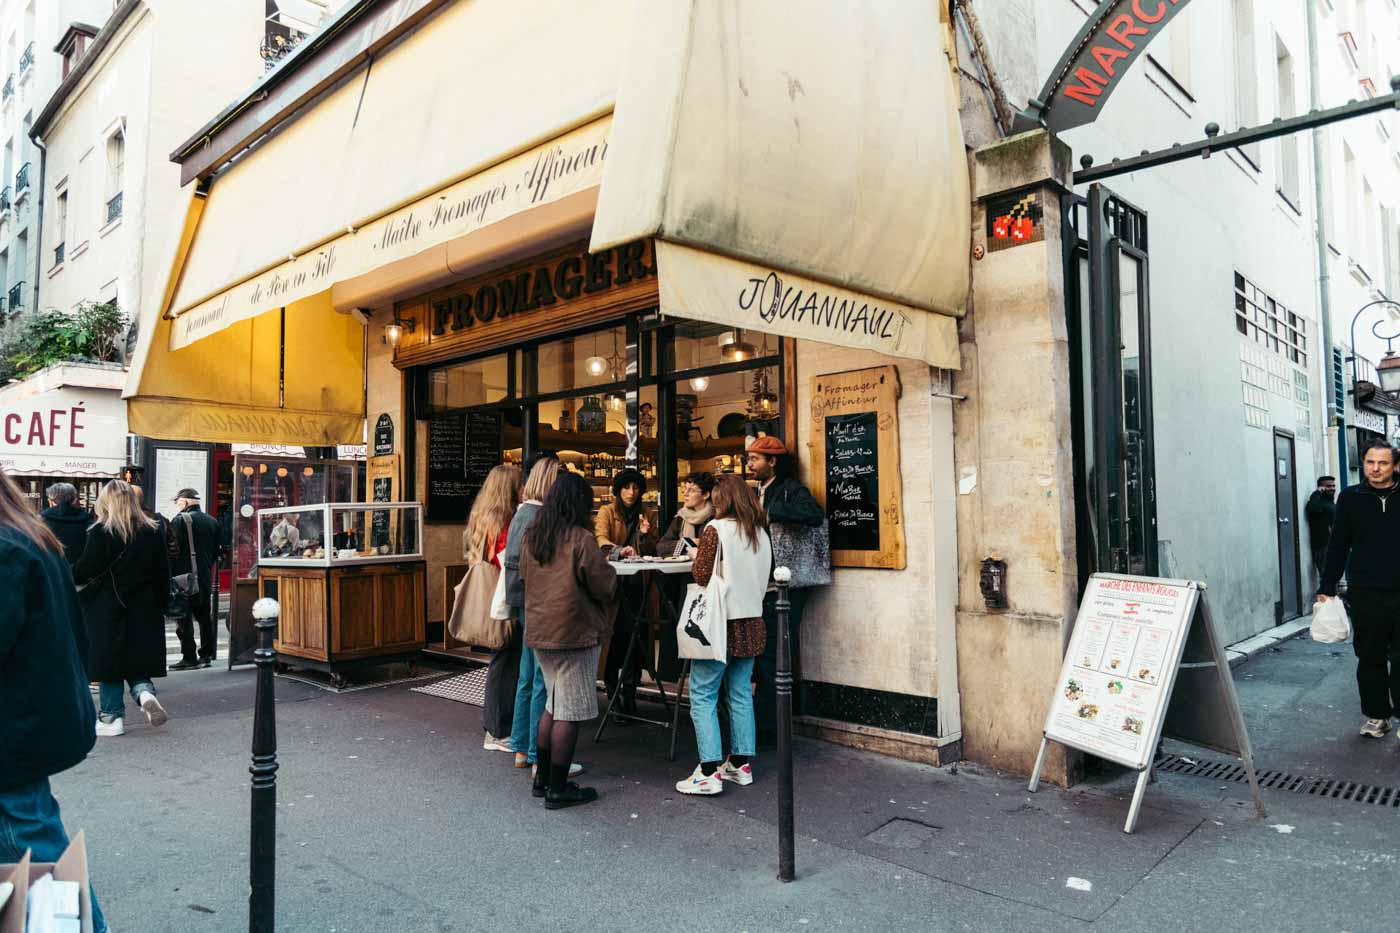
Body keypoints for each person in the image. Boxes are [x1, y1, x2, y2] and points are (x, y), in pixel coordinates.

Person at [0, 473, 109, 932]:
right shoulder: (29, 537)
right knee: (33, 852)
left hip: (13, 734)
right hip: (30, 723)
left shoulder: (9, 548)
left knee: (33, 856)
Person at [521, 473, 620, 809]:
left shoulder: (534, 536)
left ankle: (542, 779)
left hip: (540, 632)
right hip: (574, 633)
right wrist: (612, 571)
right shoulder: (580, 538)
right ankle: (558, 789)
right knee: (570, 712)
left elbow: (524, 578)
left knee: (553, 705)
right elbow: (602, 585)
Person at [675, 475, 771, 795]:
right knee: (740, 692)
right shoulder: (760, 532)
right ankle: (740, 765)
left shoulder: (716, 529)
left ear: (723, 500)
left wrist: (695, 556)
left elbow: (702, 575)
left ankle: (707, 772)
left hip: (720, 623)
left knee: (703, 694)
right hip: (751, 621)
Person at [74, 480, 171, 737]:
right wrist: (162, 605)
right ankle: (144, 693)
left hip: (107, 605)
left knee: (109, 663)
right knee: (136, 657)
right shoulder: (152, 530)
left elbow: (86, 569)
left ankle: (111, 717)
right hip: (145, 605)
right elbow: (163, 573)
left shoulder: (100, 531)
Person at [1317, 441, 1400, 740]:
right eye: (1370, 462)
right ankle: (1377, 716)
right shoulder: (1351, 498)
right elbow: (1338, 543)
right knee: (1369, 656)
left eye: (1383, 463)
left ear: (1395, 466)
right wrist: (1327, 585)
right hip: (1365, 591)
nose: (1375, 469)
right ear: (1363, 464)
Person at [746, 435, 825, 747]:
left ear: (773, 461)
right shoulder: (758, 490)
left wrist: (773, 512)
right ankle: (766, 725)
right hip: (766, 585)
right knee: (766, 656)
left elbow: (814, 515)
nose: (750, 464)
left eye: (755, 459)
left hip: (787, 586)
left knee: (773, 657)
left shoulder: (790, 489)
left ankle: (769, 731)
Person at [595, 468, 659, 719]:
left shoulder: (648, 513)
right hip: (614, 587)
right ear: (618, 490)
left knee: (636, 640)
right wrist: (618, 550)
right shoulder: (607, 512)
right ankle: (613, 696)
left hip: (639, 586)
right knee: (614, 642)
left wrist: (645, 535)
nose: (631, 492)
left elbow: (655, 548)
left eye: (635, 488)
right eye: (626, 487)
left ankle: (630, 696)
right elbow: (600, 539)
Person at [467, 462, 522, 752]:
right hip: (503, 597)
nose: (524, 488)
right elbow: (505, 561)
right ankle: (497, 731)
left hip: (490, 595)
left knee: (501, 658)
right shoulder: (506, 521)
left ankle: (497, 728)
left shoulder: (482, 516)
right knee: (505, 659)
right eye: (520, 484)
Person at [170, 488, 220, 670]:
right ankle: (206, 655)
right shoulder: (212, 521)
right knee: (204, 616)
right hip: (204, 576)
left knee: (183, 617)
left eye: (177, 501)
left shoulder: (179, 520)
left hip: (184, 577)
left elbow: (172, 550)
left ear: (184, 502)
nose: (177, 505)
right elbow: (216, 551)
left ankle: (189, 656)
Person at [656, 472, 716, 557]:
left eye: (691, 490)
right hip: (684, 565)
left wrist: (699, 543)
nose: (685, 494)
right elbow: (661, 547)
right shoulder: (681, 517)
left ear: (705, 495)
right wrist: (687, 543)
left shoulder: (716, 518)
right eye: (685, 489)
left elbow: (719, 548)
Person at [39, 482, 92, 567]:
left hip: (50, 568)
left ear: (51, 501)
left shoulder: (41, 521)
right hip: (79, 570)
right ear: (73, 500)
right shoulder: (87, 520)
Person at [1305, 475, 1337, 585]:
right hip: (1322, 545)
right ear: (1321, 488)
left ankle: (1332, 595)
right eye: (1328, 486)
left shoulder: (1330, 503)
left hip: (1332, 545)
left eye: (1333, 486)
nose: (1332, 488)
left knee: (1332, 575)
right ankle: (1329, 595)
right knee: (1327, 576)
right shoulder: (1318, 503)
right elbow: (1312, 508)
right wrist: (1317, 493)